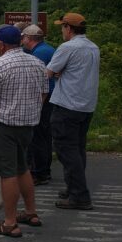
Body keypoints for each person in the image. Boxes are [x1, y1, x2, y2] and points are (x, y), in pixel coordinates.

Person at [0, 25, 49, 238]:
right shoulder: (37, 63)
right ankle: (31, 212)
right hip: (28, 125)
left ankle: (9, 223)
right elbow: (44, 92)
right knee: (22, 167)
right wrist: (32, 110)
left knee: (7, 173)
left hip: (2, 126)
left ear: (1, 44)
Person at [48, 13, 100, 210]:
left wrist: (59, 73)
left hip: (67, 105)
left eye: (62, 27)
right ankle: (73, 188)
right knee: (77, 149)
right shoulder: (93, 47)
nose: (61, 30)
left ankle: (80, 195)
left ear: (69, 28)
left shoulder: (68, 47)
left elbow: (49, 72)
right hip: (86, 105)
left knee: (66, 150)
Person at [21, 25, 56, 186]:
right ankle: (44, 170)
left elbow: (37, 80)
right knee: (45, 135)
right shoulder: (47, 49)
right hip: (50, 96)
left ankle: (39, 173)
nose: (22, 41)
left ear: (30, 38)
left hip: (44, 98)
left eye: (24, 38)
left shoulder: (39, 54)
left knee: (38, 137)